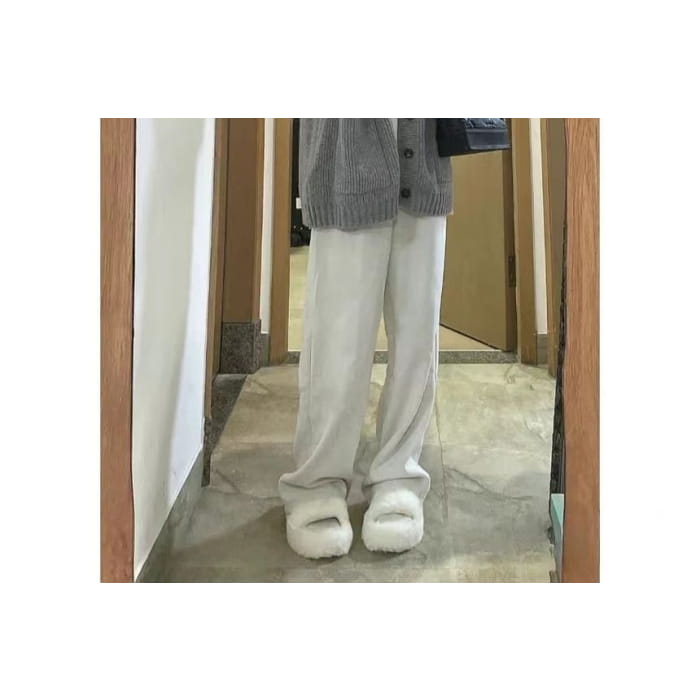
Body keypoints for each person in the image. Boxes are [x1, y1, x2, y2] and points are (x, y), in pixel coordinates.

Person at [279, 118, 453, 558]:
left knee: (417, 337)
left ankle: (399, 474)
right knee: (337, 339)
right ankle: (317, 481)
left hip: (422, 158)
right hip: (342, 159)